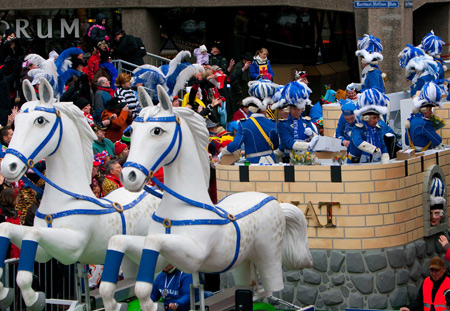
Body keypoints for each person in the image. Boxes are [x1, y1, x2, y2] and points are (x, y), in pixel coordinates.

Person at [218, 96, 278, 164]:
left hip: (254, 162)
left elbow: (236, 144)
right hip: (271, 161)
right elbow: (276, 145)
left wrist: (223, 152)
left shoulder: (244, 124)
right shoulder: (272, 123)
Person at [348, 88, 390, 164]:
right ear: (366, 118)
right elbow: (359, 143)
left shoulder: (377, 129)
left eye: (377, 117)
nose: (377, 121)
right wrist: (374, 150)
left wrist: (385, 158)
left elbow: (383, 146)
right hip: (355, 163)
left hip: (372, 162)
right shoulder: (357, 129)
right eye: (374, 118)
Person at [405, 81, 444, 151]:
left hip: (412, 152)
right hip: (423, 153)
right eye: (430, 109)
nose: (431, 112)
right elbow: (437, 141)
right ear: (424, 110)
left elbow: (406, 141)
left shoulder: (412, 119)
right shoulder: (425, 123)